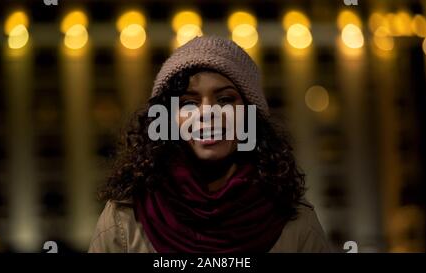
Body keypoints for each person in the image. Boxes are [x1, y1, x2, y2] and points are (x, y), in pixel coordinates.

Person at [88, 36, 331, 253]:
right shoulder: (124, 218)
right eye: (188, 103)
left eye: (225, 99)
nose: (207, 113)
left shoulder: (295, 221)